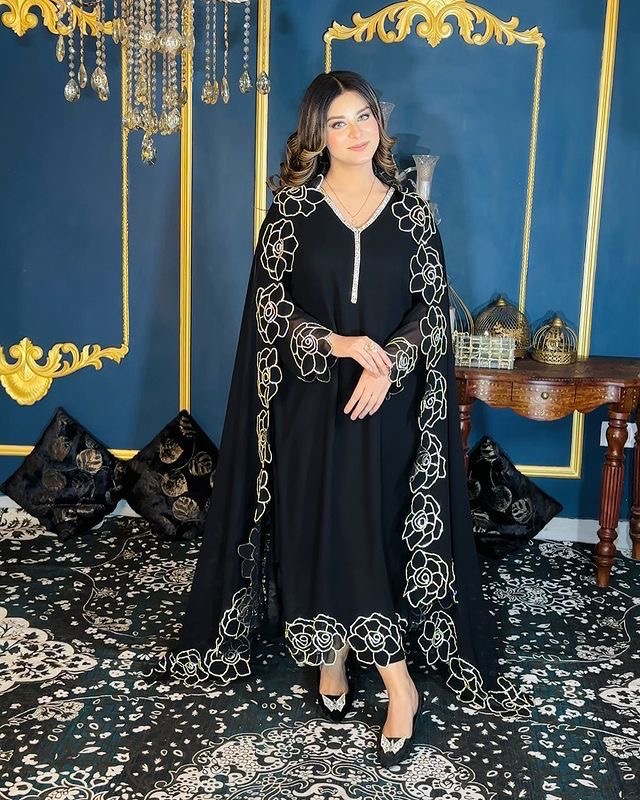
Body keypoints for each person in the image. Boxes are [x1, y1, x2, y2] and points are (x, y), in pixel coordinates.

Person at [151, 70, 533, 766]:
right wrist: (339, 343)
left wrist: (385, 363)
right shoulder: (291, 214)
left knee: (368, 531)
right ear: (316, 135)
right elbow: (269, 309)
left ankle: (397, 683)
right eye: (338, 123)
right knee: (315, 526)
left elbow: (430, 313)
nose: (356, 132)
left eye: (364, 117)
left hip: (385, 409)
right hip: (309, 404)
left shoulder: (413, 216)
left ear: (378, 124)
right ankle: (331, 656)